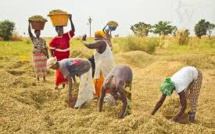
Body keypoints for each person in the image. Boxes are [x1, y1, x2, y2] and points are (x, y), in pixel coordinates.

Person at [82, 31, 115, 97]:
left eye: (96, 36)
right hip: (101, 66)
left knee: (106, 80)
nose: (95, 37)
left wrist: (83, 41)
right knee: (100, 80)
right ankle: (101, 95)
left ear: (99, 36)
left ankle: (107, 95)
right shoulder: (100, 43)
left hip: (105, 66)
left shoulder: (102, 42)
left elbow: (90, 45)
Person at [49, 14, 75, 89]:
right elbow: (51, 52)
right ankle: (56, 86)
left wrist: (70, 20)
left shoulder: (66, 36)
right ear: (56, 30)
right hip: (59, 60)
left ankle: (64, 86)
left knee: (66, 73)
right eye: (59, 30)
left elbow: (73, 30)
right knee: (59, 73)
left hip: (66, 59)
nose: (61, 31)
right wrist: (54, 61)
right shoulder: (53, 41)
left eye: (62, 29)